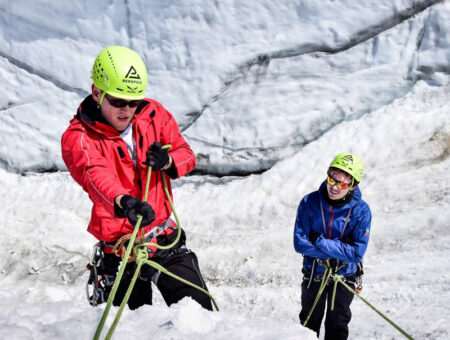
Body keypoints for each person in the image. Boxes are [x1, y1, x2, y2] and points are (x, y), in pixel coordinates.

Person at [61, 45, 212, 311]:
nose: (127, 110)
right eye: (118, 101)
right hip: (120, 250)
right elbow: (94, 175)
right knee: (127, 332)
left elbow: (187, 155)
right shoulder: (79, 138)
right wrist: (122, 201)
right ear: (97, 92)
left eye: (134, 102)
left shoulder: (153, 114)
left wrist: (168, 162)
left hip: (165, 239)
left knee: (200, 319)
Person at [293, 153, 371, 339]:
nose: (334, 187)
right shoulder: (309, 202)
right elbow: (300, 244)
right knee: (308, 323)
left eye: (342, 184)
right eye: (332, 180)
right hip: (314, 272)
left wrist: (320, 241)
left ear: (353, 185)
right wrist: (341, 249)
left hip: (344, 276)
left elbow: (356, 254)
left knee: (337, 324)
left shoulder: (361, 211)